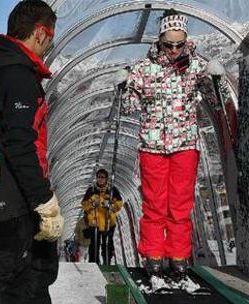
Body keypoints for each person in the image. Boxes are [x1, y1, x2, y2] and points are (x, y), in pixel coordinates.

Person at [0, 1, 64, 303]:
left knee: (23, 271)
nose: (49, 44)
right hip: (10, 194)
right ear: (38, 32)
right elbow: (20, 144)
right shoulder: (18, 76)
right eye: (50, 36)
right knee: (7, 274)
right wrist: (43, 200)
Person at [122, 9, 225, 281]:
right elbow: (129, 106)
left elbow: (216, 101)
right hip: (152, 145)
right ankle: (153, 254)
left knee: (180, 204)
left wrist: (216, 81)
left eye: (180, 44)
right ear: (160, 40)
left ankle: (179, 255)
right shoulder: (144, 69)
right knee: (155, 204)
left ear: (186, 40)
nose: (175, 50)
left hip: (184, 144)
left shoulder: (194, 67)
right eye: (169, 44)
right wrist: (126, 89)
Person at [80, 169, 123, 265]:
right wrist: (91, 204)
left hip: (108, 223)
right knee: (94, 245)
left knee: (107, 245)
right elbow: (84, 205)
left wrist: (111, 205)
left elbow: (119, 204)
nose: (100, 179)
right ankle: (94, 264)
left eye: (102, 177)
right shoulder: (91, 190)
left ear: (106, 179)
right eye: (99, 177)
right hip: (95, 223)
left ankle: (107, 262)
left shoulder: (112, 190)